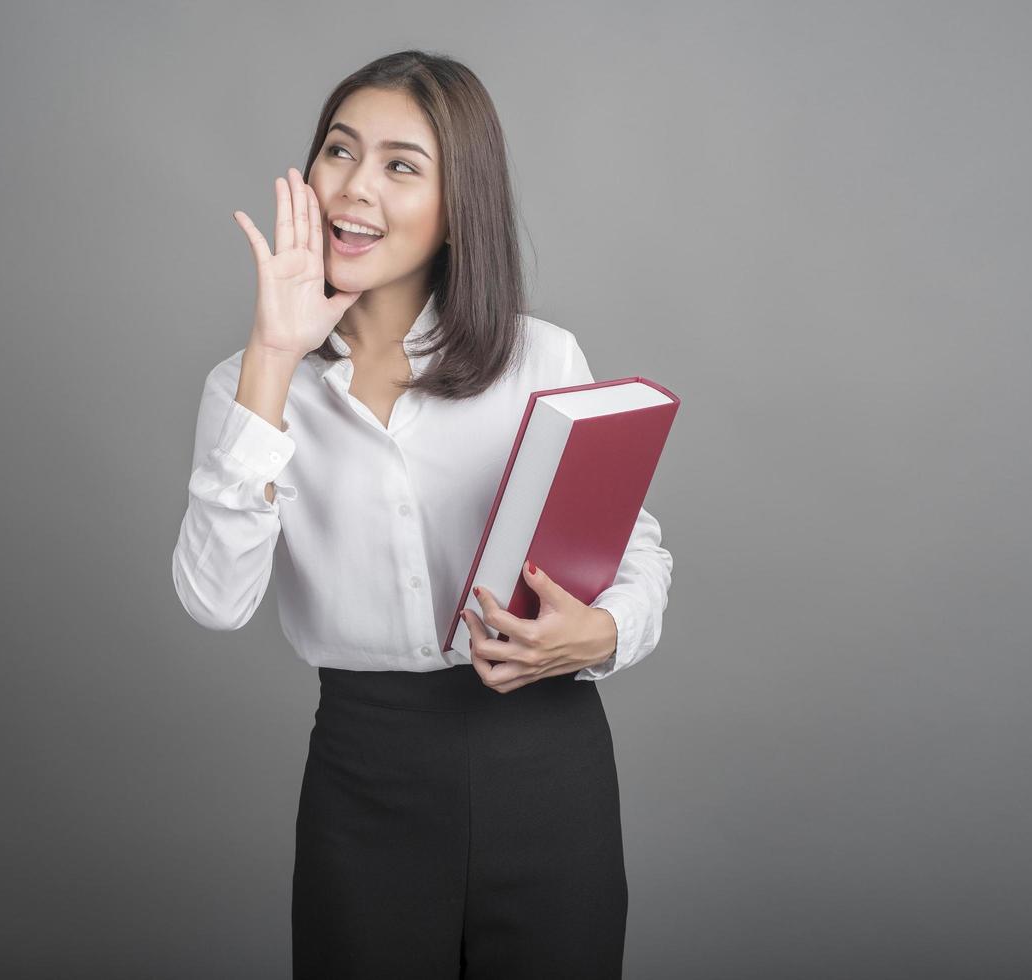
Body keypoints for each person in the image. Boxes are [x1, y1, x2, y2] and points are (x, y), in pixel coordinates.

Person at [171, 50, 673, 980]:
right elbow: (214, 600)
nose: (355, 189)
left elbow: (636, 553)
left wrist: (598, 635)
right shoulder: (250, 385)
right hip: (367, 773)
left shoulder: (540, 358)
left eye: (402, 165)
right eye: (339, 151)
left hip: (546, 765)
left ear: (457, 207)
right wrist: (273, 362)